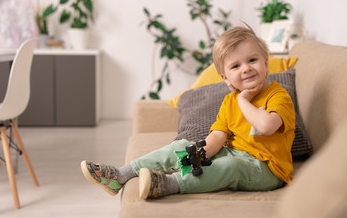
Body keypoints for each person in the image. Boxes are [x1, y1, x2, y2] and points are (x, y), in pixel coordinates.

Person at [81, 25, 295, 199]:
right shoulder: (229, 101)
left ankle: (169, 184)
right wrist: (200, 154)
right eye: (235, 66)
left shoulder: (278, 95)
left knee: (229, 166)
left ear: (266, 63)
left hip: (267, 169)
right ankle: (121, 175)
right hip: (233, 151)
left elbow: (266, 126)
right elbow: (218, 135)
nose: (246, 68)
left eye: (252, 60)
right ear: (225, 79)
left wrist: (243, 100)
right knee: (183, 146)